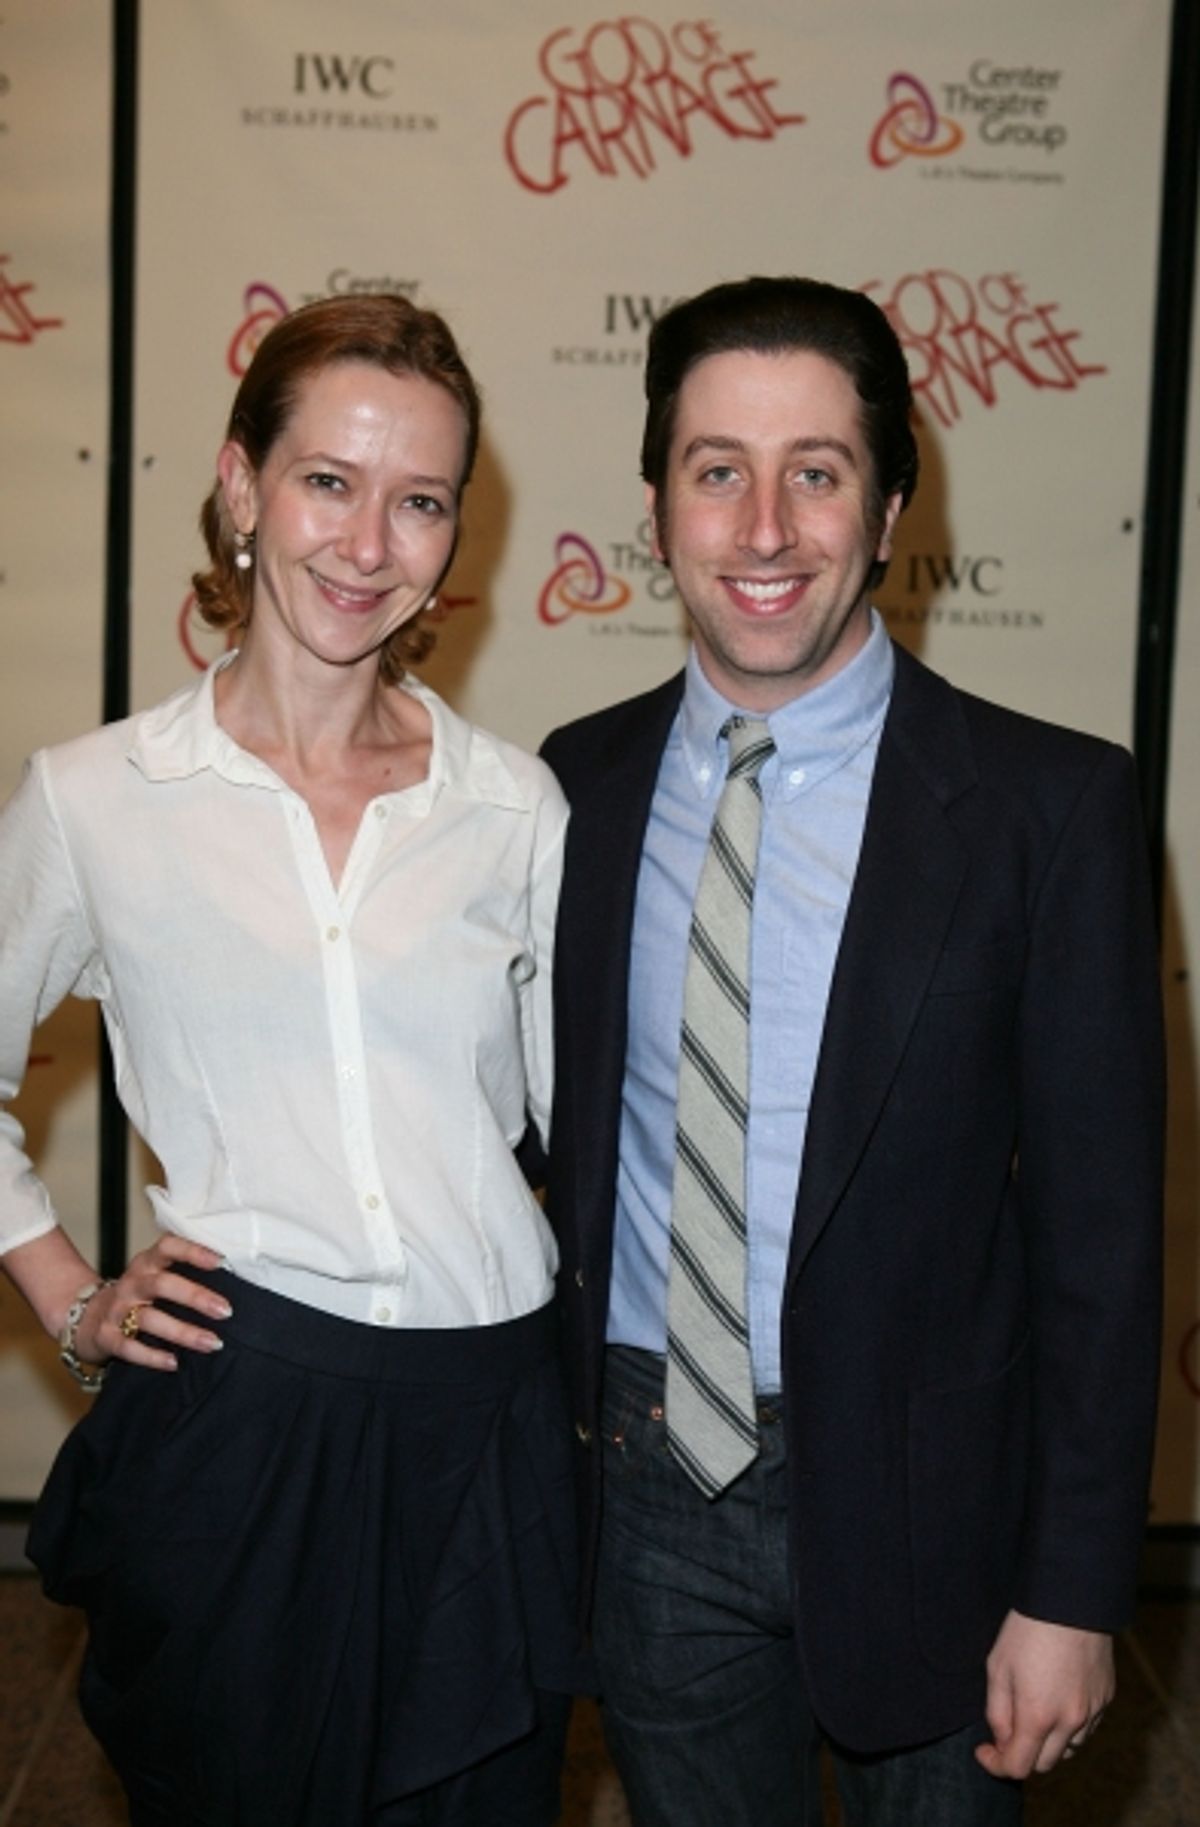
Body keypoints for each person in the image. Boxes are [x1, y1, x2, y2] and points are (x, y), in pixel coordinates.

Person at [540, 275, 1164, 1826]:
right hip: (644, 1483)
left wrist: (1074, 1592)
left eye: (815, 472)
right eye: (716, 471)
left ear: (889, 509)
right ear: (655, 505)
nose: (763, 530)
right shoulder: (570, 791)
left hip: (935, 1504)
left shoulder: (1051, 811)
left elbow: (1102, 1240)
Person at [0, 294, 579, 1827]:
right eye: (329, 480)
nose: (368, 540)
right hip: (245, 1421)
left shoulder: (515, 808)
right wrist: (68, 1294)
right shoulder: (96, 798)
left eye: (421, 500)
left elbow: (567, 1128)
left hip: (490, 1424)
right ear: (242, 485)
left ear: (457, 536)